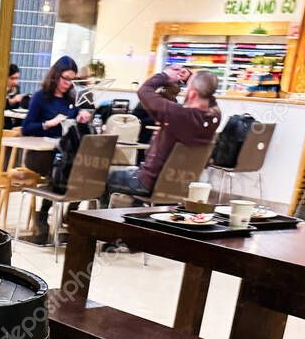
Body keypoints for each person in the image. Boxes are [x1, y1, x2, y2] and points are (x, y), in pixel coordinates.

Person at [104, 67, 221, 201]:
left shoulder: (177, 114)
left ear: (193, 94)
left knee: (101, 177)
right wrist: (191, 77)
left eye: (188, 88)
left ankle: (93, 219)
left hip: (150, 182)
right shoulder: (214, 117)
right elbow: (206, 91)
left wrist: (164, 75)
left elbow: (144, 91)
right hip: (182, 184)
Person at [21, 56, 93, 232]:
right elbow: (26, 128)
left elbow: (76, 128)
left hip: (64, 153)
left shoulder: (73, 99)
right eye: (65, 78)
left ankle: (70, 212)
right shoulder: (40, 97)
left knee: (83, 169)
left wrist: (82, 116)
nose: (68, 83)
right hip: (40, 155)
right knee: (63, 167)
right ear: (55, 76)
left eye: (72, 79)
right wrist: (48, 123)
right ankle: (45, 213)